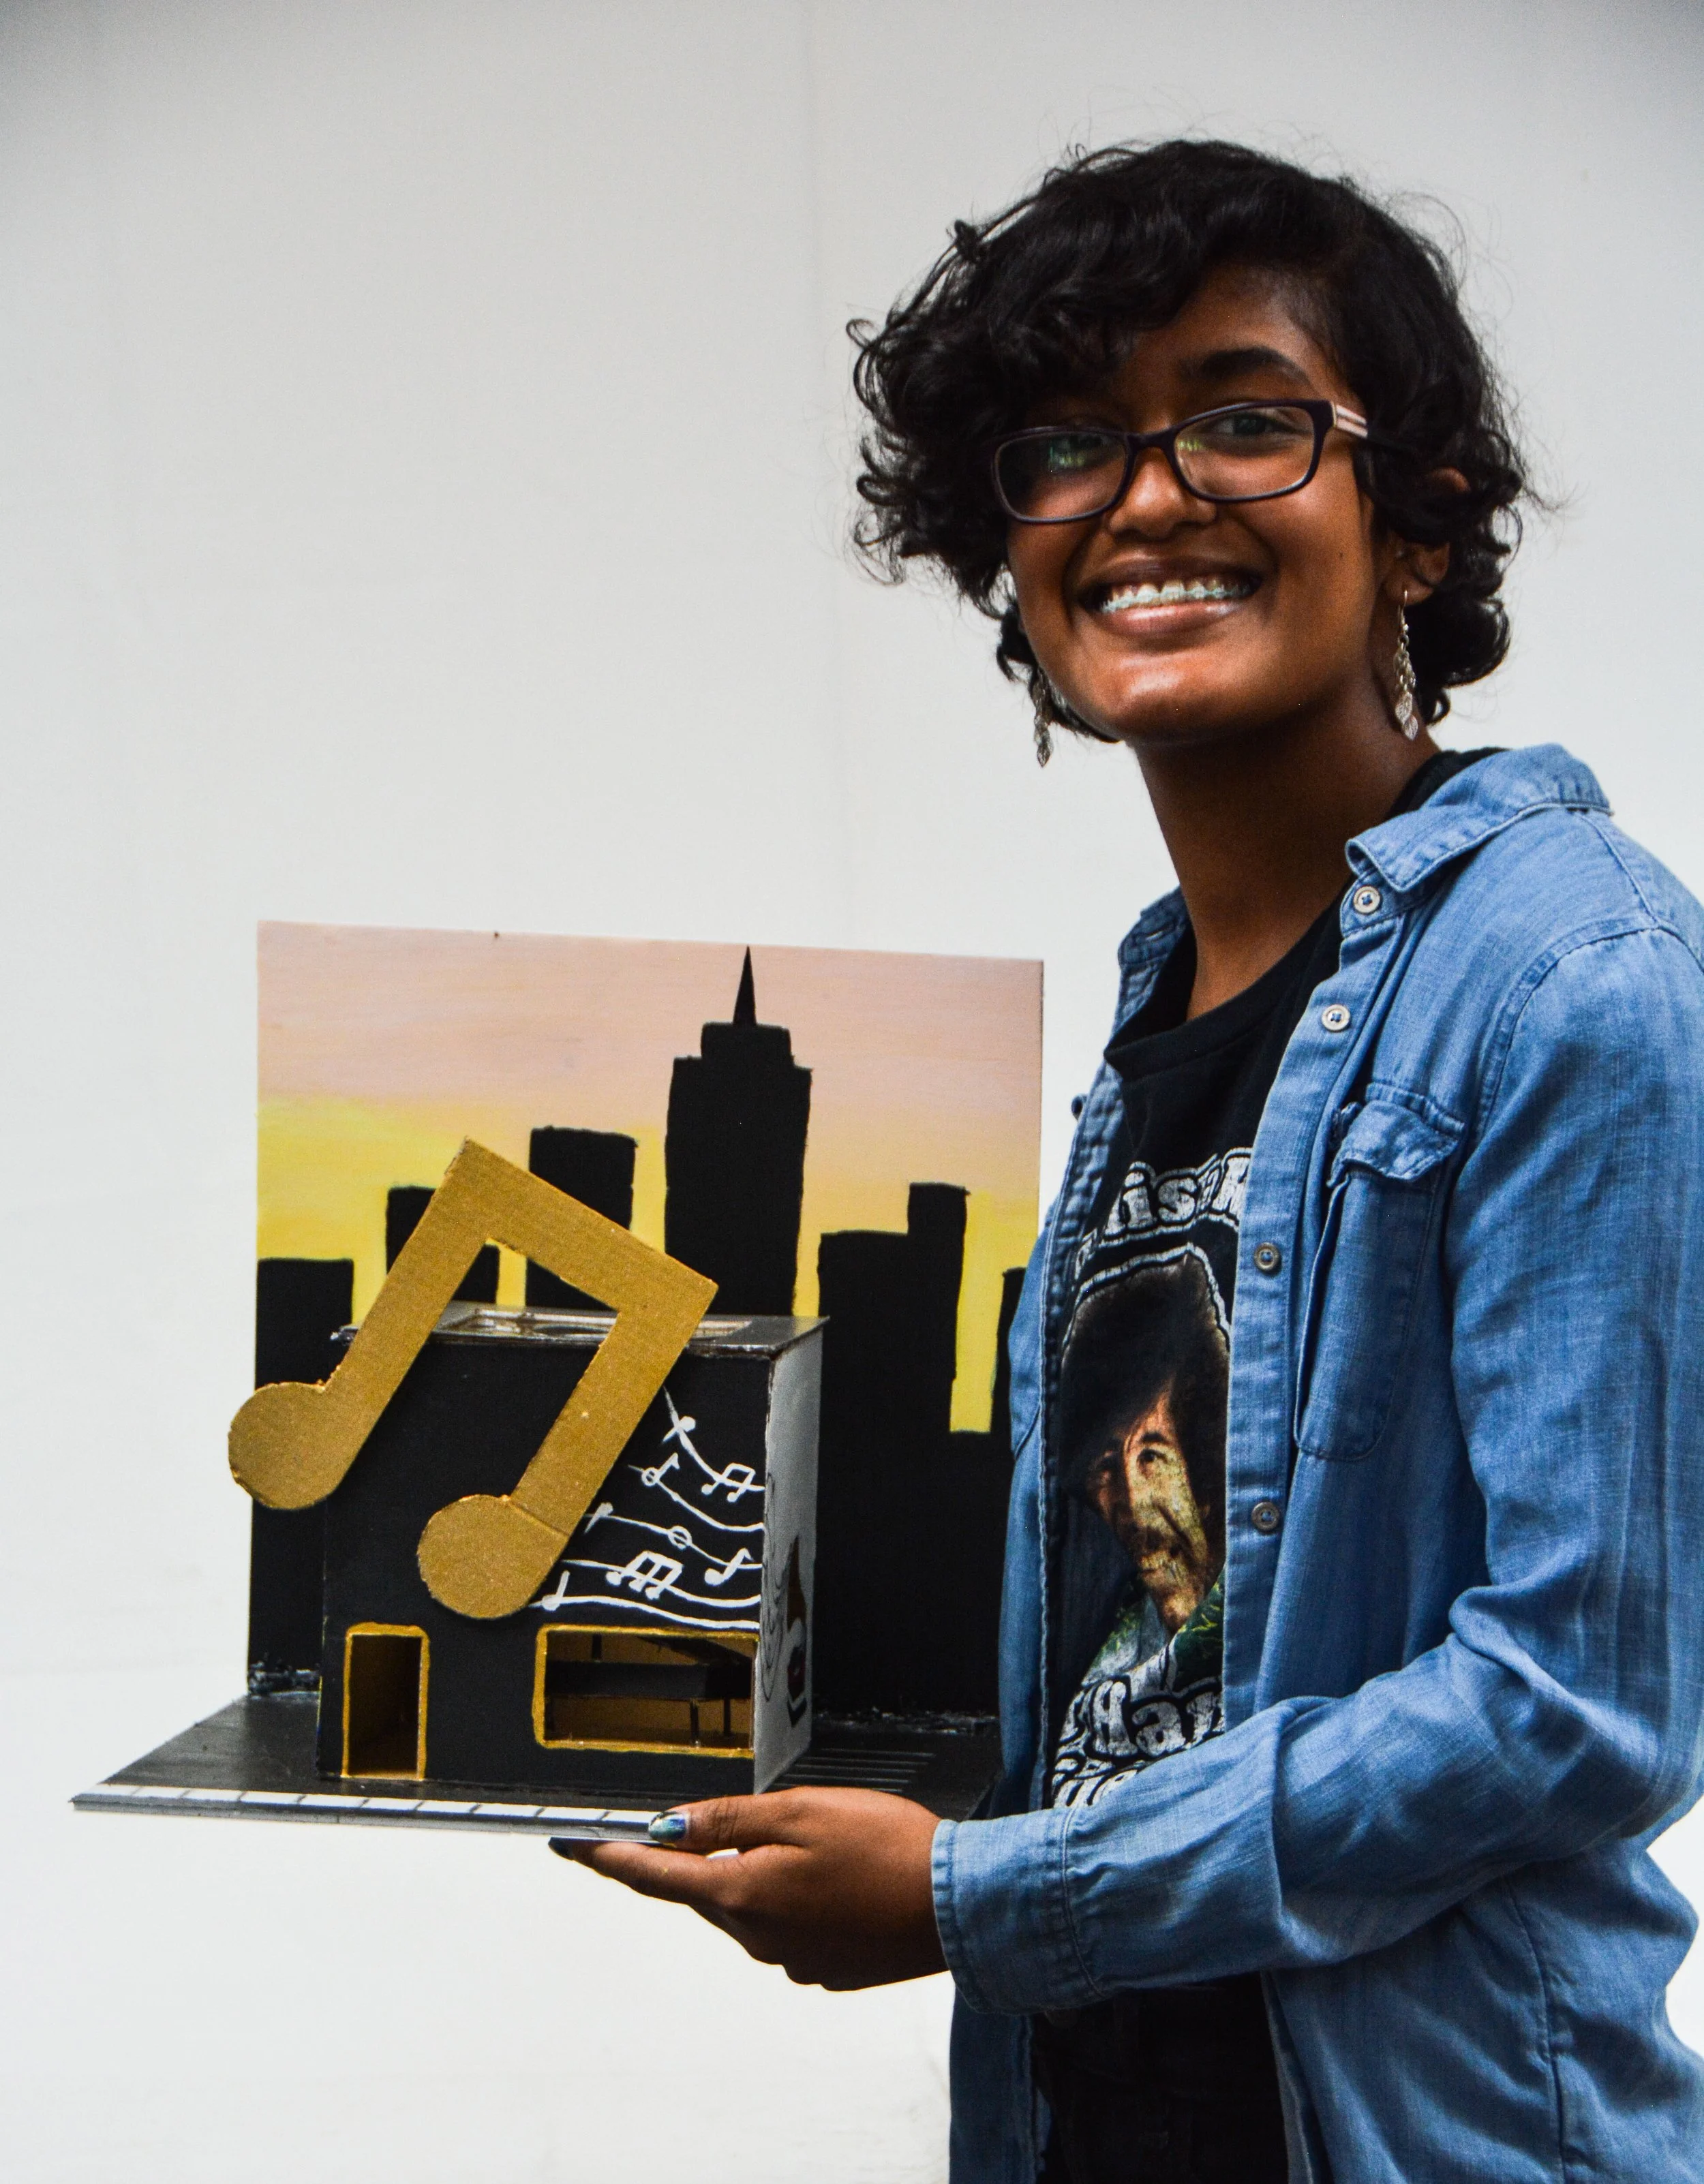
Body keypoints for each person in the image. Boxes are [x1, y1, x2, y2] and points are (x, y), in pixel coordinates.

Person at [557, 140, 1704, 2181]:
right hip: (1085, 2110)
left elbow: (1572, 1698)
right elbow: (1135, 1659)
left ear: (1418, 521)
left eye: (1244, 420)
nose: (1149, 494)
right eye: (1069, 443)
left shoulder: (1570, 972)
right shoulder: (1155, 1010)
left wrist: (971, 1899)